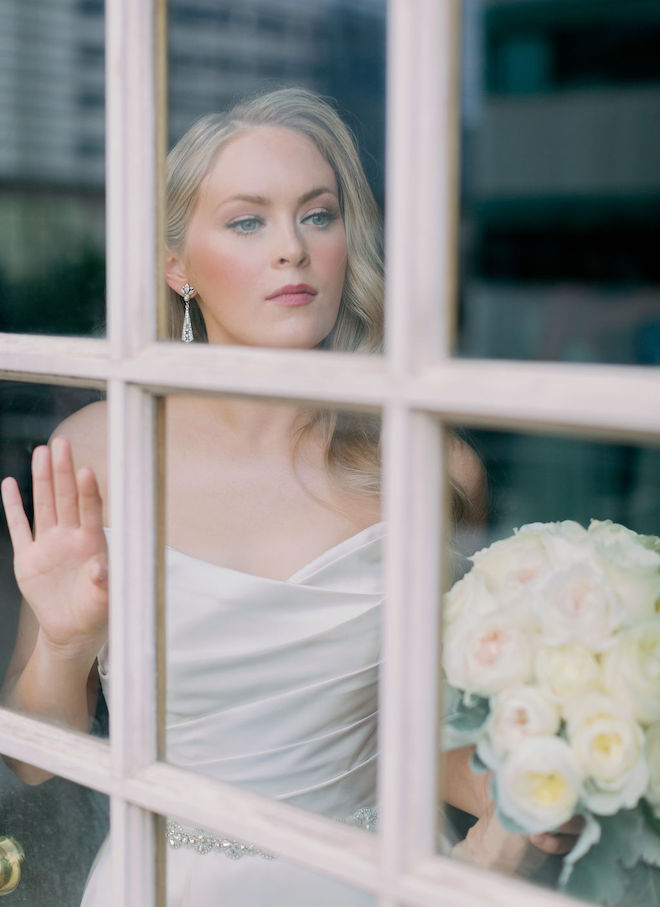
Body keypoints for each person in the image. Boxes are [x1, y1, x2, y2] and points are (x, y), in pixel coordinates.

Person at [0, 88, 560, 905]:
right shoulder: (96, 450)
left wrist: (540, 793)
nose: (292, 249)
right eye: (247, 220)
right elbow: (31, 756)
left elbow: (426, 738)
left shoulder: (432, 466)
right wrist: (62, 643)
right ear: (176, 266)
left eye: (318, 215)